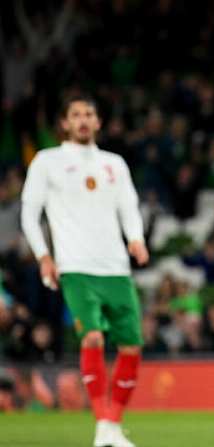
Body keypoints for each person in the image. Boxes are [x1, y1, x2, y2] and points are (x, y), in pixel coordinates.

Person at [21, 96, 147, 447]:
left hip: (117, 269)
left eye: (89, 114)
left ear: (98, 122)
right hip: (75, 267)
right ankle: (102, 423)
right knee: (92, 337)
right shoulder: (48, 162)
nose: (82, 120)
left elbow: (129, 207)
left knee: (131, 348)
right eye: (75, 114)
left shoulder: (114, 164)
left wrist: (135, 239)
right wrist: (44, 256)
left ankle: (112, 425)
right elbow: (30, 214)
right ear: (64, 123)